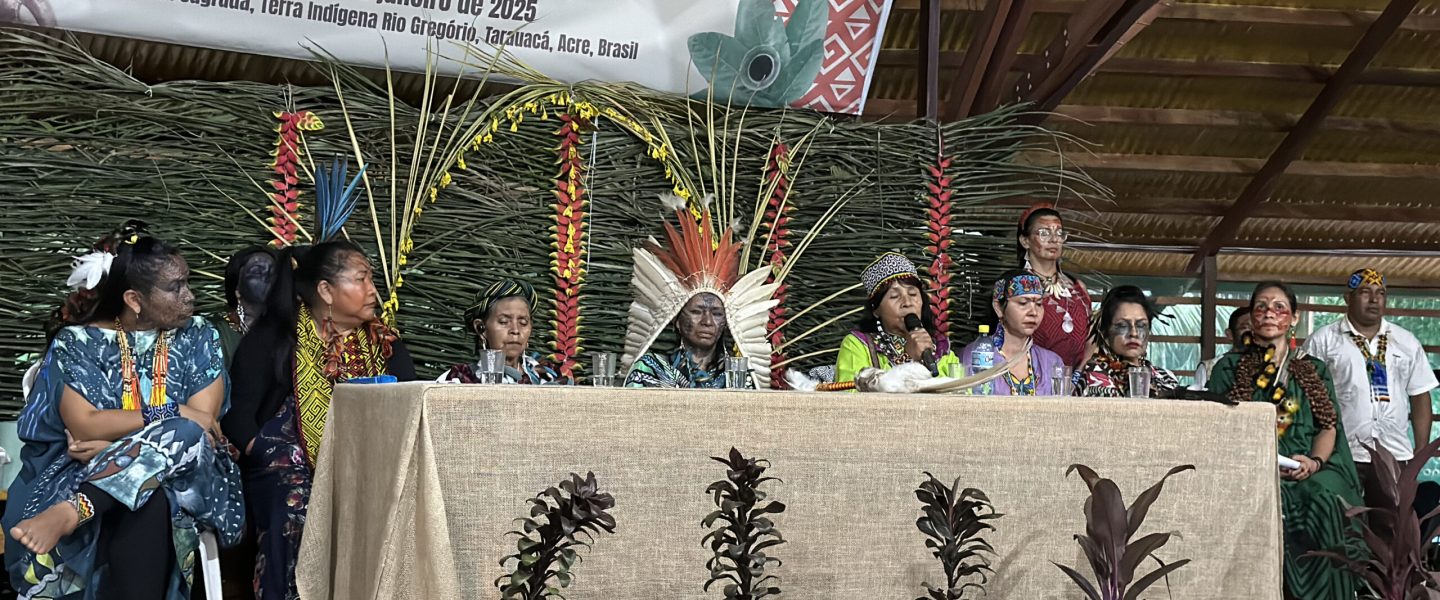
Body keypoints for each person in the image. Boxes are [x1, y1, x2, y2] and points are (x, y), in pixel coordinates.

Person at [3, 221, 244, 600]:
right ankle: (86, 503)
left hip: (191, 473)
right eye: (175, 287)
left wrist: (116, 448)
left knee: (188, 434)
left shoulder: (200, 335)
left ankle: (75, 510)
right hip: (84, 469)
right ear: (134, 299)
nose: (190, 296)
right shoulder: (78, 342)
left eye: (187, 282)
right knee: (150, 496)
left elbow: (202, 426)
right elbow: (85, 426)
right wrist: (171, 410)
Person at [222, 241, 416, 600]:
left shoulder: (384, 344)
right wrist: (263, 450)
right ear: (326, 290)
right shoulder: (275, 339)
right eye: (361, 279)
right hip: (288, 470)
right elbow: (237, 414)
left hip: (370, 468)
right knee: (299, 508)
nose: (373, 290)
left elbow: (409, 403)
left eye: (370, 279)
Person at [1207, 281, 1364, 600]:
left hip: (1308, 469)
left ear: (1293, 317)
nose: (1269, 313)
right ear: (1251, 318)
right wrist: (1262, 464)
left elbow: (1327, 427)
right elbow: (1219, 432)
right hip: (1250, 471)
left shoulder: (1313, 370)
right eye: (1261, 307)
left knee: (1322, 500)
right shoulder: (1229, 368)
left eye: (1279, 307)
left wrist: (1315, 461)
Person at [1303, 268, 1438, 511]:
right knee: (1341, 527)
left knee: (1390, 533)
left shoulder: (1406, 341)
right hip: (1341, 454)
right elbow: (1306, 397)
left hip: (1394, 454)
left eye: (1381, 293)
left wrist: (1420, 452)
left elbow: (1420, 396)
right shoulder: (1323, 340)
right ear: (1348, 298)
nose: (1374, 299)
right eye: (1365, 292)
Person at [621, 195, 779, 389]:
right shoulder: (649, 369)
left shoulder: (739, 378)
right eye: (696, 311)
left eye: (717, 313)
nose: (707, 321)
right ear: (677, 320)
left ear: (726, 322)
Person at [835, 252, 960, 384]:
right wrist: (909, 360)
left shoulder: (941, 350)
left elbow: (966, 396)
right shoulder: (857, 346)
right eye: (894, 296)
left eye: (912, 294)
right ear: (876, 310)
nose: (907, 302)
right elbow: (850, 399)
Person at [438, 278, 566, 384]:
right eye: (504, 322)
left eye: (523, 323)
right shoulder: (460, 379)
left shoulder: (547, 375)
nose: (515, 330)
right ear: (481, 328)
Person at [960, 270, 1066, 395]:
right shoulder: (977, 354)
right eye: (1023, 303)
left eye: (1038, 304)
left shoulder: (1051, 362)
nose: (1033, 312)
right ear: (998, 308)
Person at [1017, 204, 1092, 368]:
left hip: (1077, 383)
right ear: (1025, 241)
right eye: (1044, 233)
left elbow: (1090, 344)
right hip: (1031, 381)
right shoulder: (1015, 286)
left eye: (1059, 233)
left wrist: (1078, 378)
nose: (1054, 239)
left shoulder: (1078, 288)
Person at [1075, 285, 1180, 398]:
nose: (1133, 333)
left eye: (1141, 325)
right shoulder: (1095, 375)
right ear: (1105, 331)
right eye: (1122, 325)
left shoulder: (1166, 378)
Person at [212, 246, 276, 367]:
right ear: (237, 289)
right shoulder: (216, 334)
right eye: (257, 272)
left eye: (273, 273)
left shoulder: (289, 330)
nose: (268, 278)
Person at [1190, 307, 1251, 391]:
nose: (1252, 333)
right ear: (1229, 334)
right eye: (1245, 328)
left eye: (1257, 328)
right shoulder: (1209, 368)